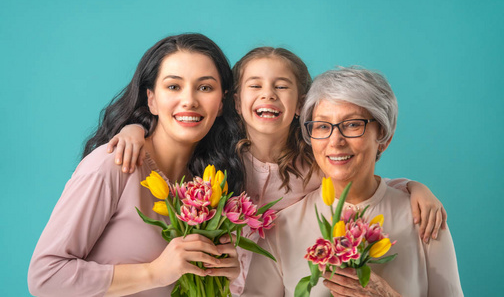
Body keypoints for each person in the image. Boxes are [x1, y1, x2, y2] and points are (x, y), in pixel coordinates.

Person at [110, 47, 447, 294]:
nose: (268, 94)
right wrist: (134, 130)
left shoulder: (316, 163)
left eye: (281, 86)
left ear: (301, 104)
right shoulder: (210, 158)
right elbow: (169, 143)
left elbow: (360, 179)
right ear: (236, 101)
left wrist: (413, 187)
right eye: (255, 86)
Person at [27, 33, 242, 296]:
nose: (189, 100)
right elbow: (45, 277)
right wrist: (154, 272)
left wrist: (222, 278)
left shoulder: (206, 188)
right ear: (151, 99)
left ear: (221, 102)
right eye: (173, 86)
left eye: (205, 87)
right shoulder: (113, 164)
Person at [242, 67, 463, 296]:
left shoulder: (425, 219)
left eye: (352, 124)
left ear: (383, 137)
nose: (335, 141)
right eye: (322, 126)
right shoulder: (281, 229)